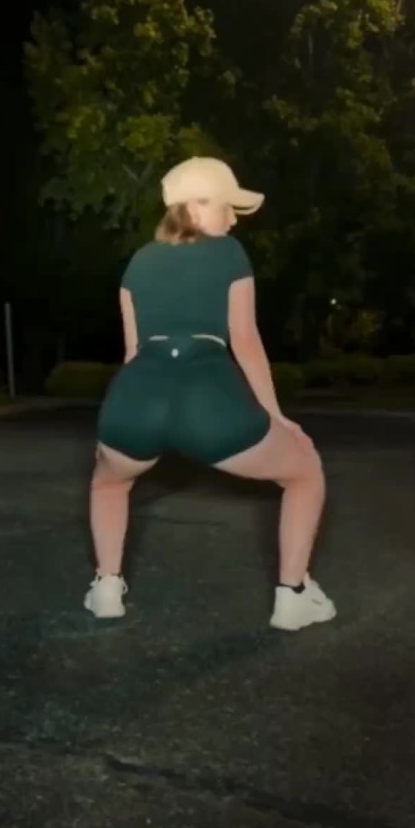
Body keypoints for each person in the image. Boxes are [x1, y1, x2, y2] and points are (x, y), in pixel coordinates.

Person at [84, 157, 336, 632]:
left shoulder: (138, 262)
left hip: (137, 394)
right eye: (228, 207)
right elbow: (245, 341)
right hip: (205, 396)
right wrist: (276, 417)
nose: (234, 220)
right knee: (305, 470)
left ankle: (106, 590)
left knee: (108, 482)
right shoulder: (228, 253)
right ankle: (294, 597)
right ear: (199, 206)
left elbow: (132, 352)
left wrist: (123, 414)